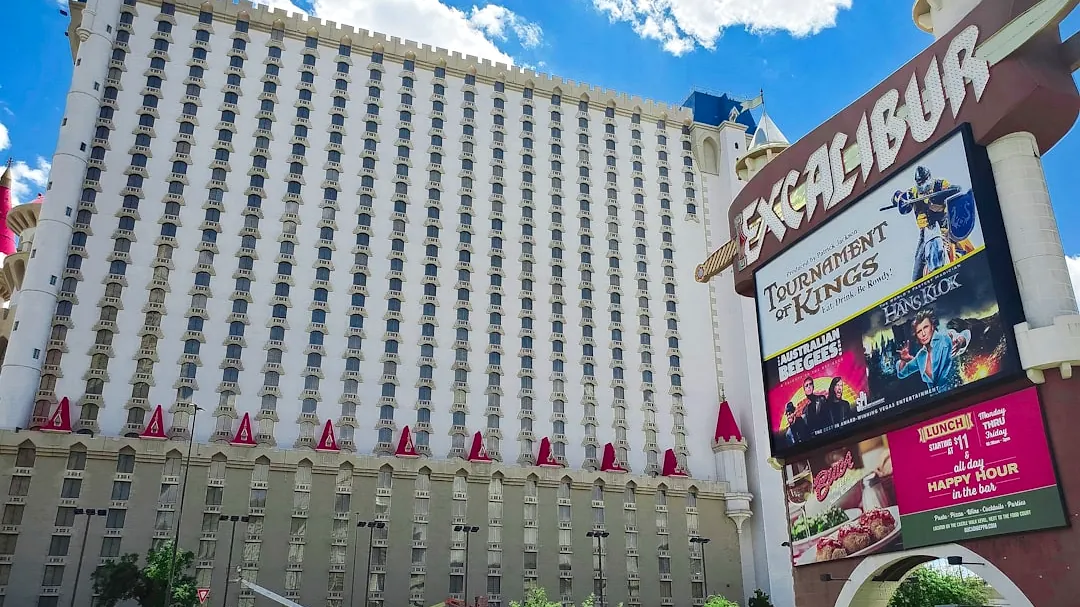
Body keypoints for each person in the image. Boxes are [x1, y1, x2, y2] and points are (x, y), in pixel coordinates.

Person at [891, 166, 975, 280]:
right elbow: (898, 199)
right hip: (926, 233)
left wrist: (941, 198)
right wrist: (899, 200)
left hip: (946, 228)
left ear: (929, 178)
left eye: (925, 181)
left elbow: (956, 189)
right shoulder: (913, 192)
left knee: (970, 249)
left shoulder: (940, 184)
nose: (924, 185)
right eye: (920, 183)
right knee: (916, 274)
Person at [896, 309, 971, 392]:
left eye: (925, 327)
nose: (923, 334)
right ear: (916, 335)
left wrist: (960, 341)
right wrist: (903, 360)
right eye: (919, 331)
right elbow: (902, 373)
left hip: (959, 394)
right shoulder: (921, 356)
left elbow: (965, 334)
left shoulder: (945, 338)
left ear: (932, 327)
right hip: (937, 402)